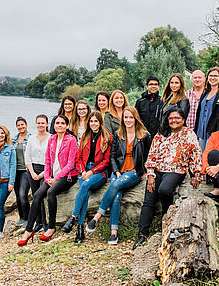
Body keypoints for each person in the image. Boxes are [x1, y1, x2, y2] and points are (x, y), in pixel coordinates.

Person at [133, 108, 202, 249]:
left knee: (164, 190)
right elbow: (152, 154)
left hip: (176, 169)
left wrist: (196, 174)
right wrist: (151, 174)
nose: (174, 120)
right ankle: (142, 235)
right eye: (171, 118)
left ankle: (166, 223)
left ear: (183, 119)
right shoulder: (161, 134)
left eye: (177, 118)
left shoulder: (189, 134)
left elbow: (196, 154)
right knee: (149, 197)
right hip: (158, 169)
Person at [86, 106, 151, 245]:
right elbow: (113, 156)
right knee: (116, 195)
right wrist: (116, 171)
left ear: (135, 118)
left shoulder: (144, 135)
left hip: (135, 171)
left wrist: (146, 171)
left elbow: (149, 156)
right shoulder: (118, 134)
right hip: (119, 170)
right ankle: (114, 233)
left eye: (130, 117)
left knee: (115, 185)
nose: (128, 120)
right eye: (125, 117)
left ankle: (97, 216)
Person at [18, 115, 78, 246]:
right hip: (52, 176)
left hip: (67, 176)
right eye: (57, 123)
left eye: (62, 123)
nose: (60, 125)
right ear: (54, 125)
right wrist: (47, 178)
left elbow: (71, 164)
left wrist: (56, 179)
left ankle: (51, 227)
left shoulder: (71, 140)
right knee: (37, 195)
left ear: (66, 126)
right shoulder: (52, 139)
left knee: (51, 192)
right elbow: (47, 161)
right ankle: (28, 231)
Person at [61, 111, 112, 243]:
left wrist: (92, 171)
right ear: (88, 123)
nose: (93, 124)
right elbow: (78, 158)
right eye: (91, 121)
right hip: (84, 170)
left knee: (86, 184)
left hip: (100, 172)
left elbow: (106, 161)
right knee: (85, 188)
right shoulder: (85, 136)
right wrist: (83, 171)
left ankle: (73, 217)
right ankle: (80, 229)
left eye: (96, 121)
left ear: (100, 123)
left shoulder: (107, 137)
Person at [194, 67, 219, 152]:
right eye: (210, 76)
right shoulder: (205, 93)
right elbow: (199, 112)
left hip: (214, 132)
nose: (213, 78)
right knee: (201, 157)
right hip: (201, 132)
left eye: (216, 76)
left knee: (210, 158)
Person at [25, 114, 50, 233]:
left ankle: (45, 223)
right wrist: (33, 172)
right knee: (36, 196)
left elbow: (52, 158)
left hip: (46, 169)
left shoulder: (51, 138)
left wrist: (42, 175)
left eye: (42, 123)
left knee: (41, 195)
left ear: (46, 124)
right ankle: (38, 222)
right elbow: (27, 157)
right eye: (38, 123)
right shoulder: (31, 139)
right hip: (32, 169)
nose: (40, 125)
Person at [11, 117, 31, 228]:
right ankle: (22, 217)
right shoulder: (14, 139)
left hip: (25, 170)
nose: (21, 127)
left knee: (23, 194)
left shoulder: (31, 138)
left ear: (26, 125)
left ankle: (28, 218)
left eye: (22, 124)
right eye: (18, 125)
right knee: (17, 195)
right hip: (15, 171)